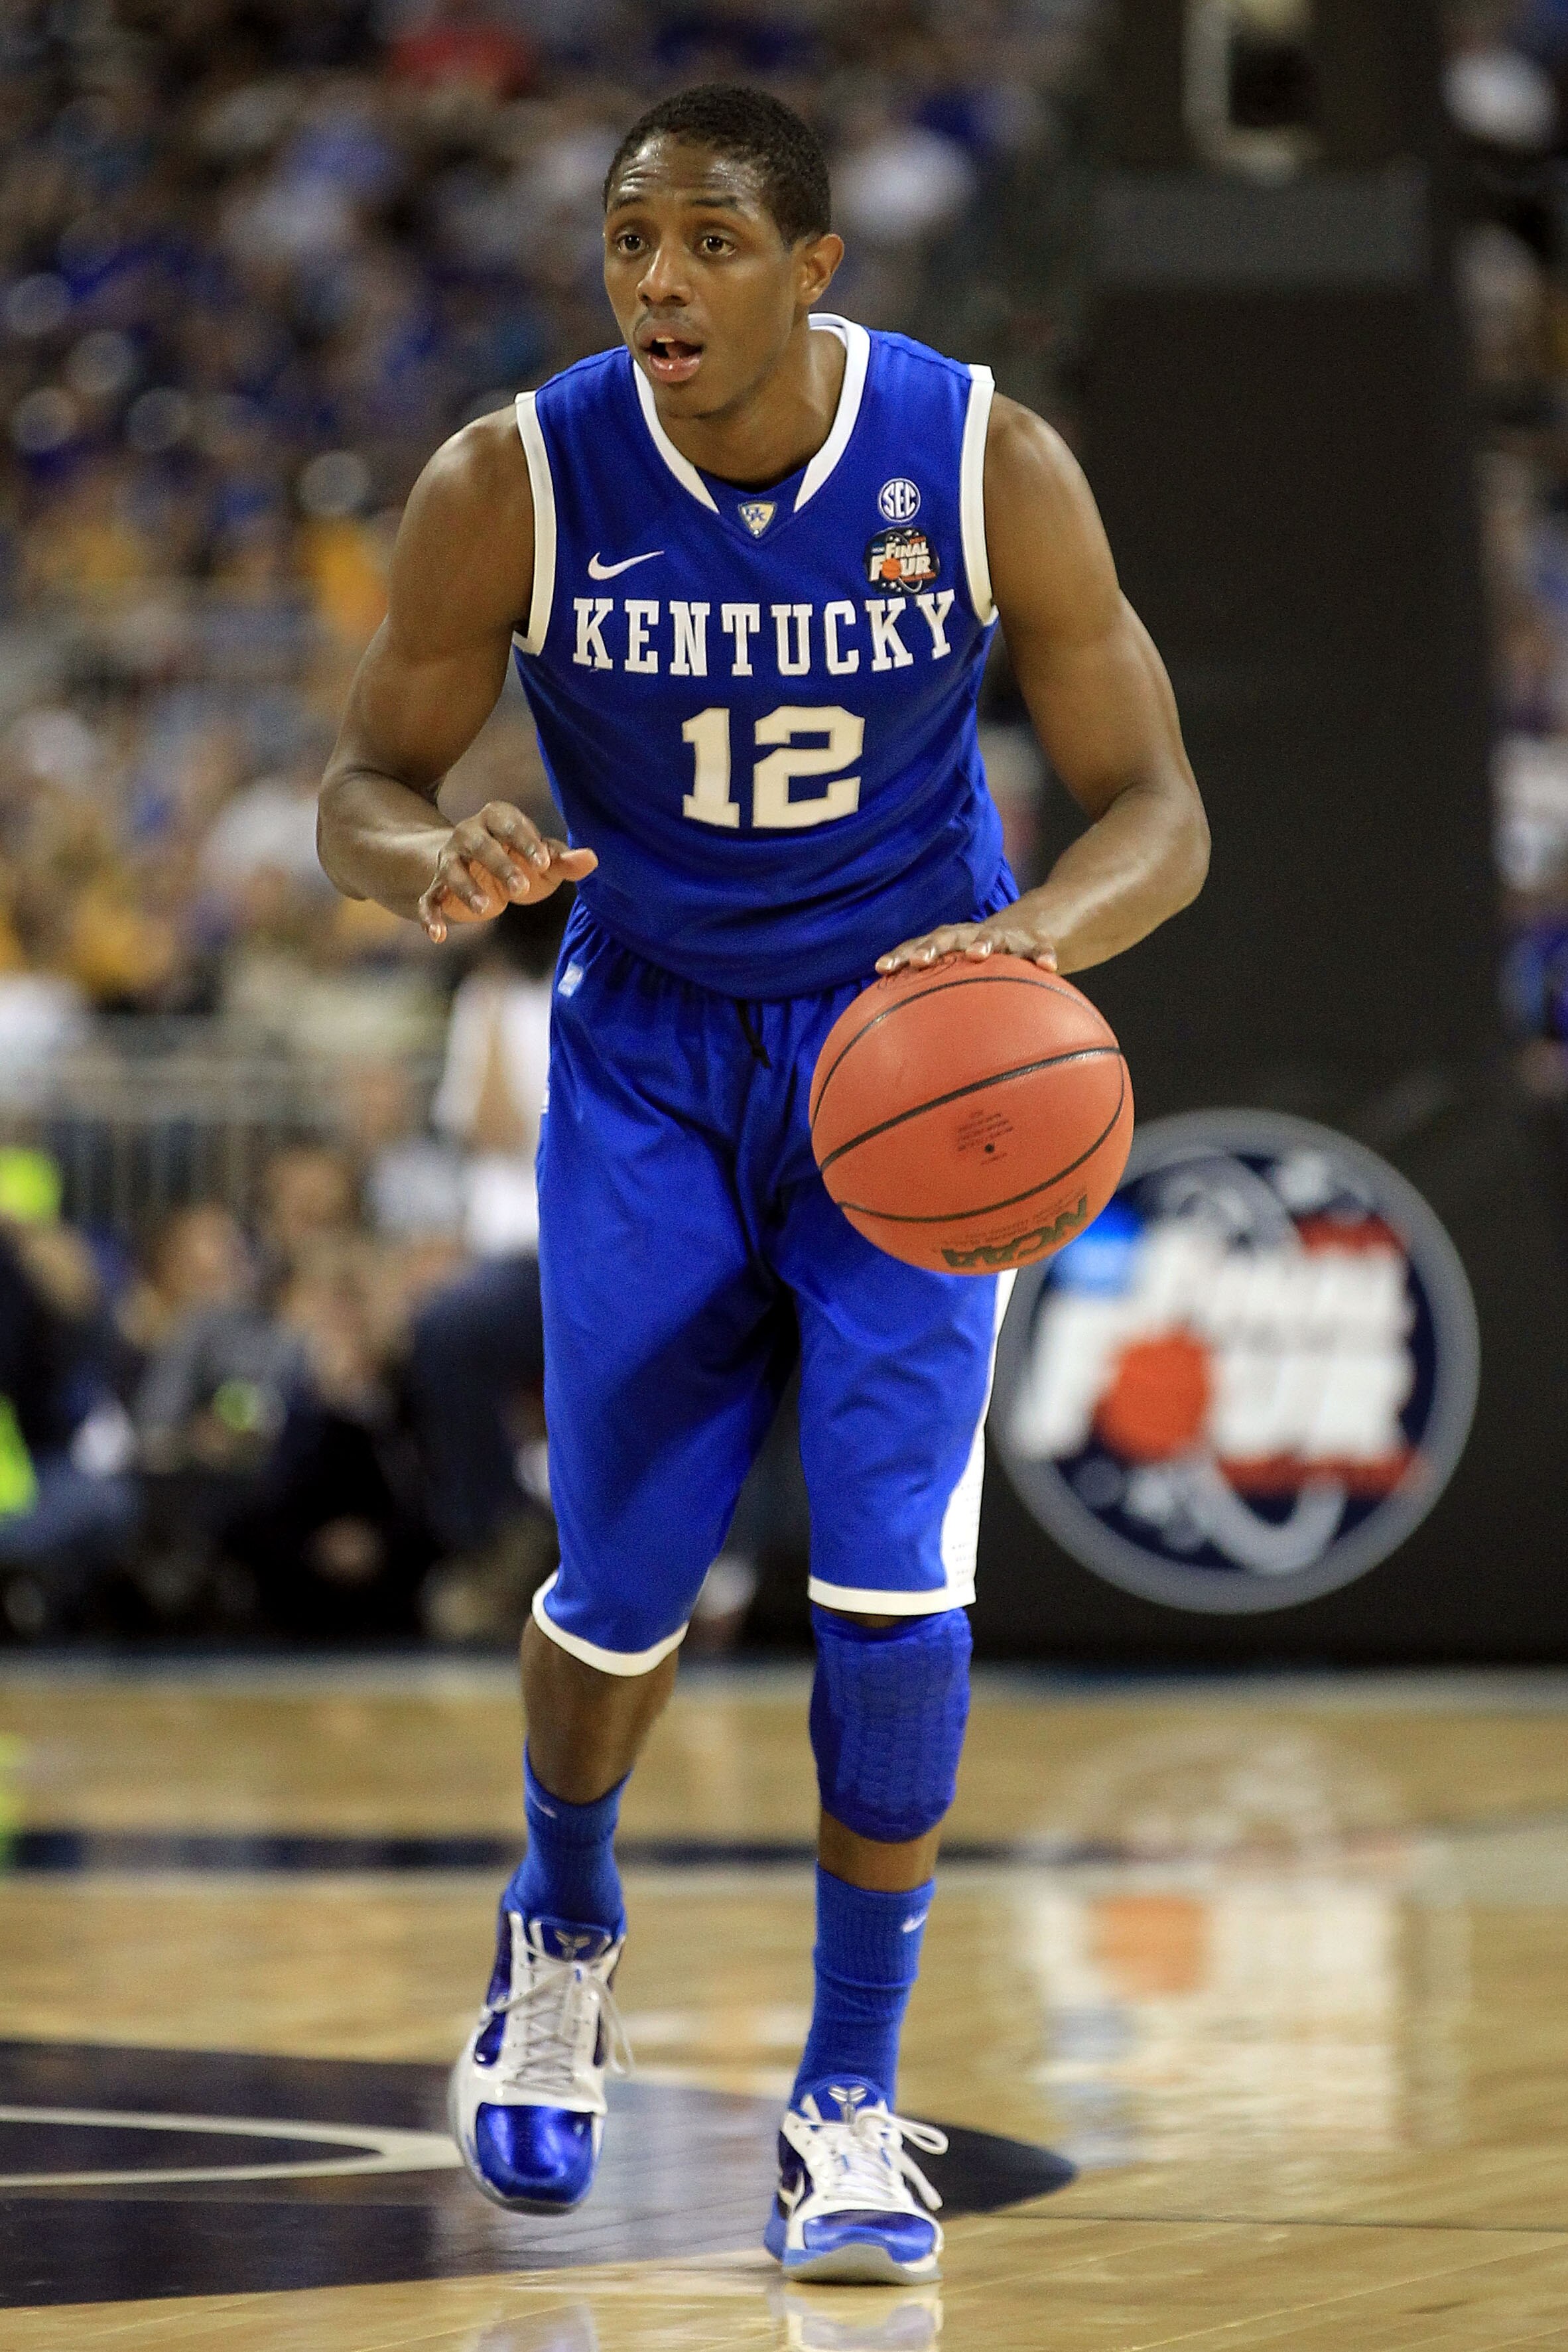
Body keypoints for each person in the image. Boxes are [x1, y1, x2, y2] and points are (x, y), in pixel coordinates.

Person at [318, 83, 1208, 2287]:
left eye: (708, 244)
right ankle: (559, 1925)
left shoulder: (980, 461)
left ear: (816, 268)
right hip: (647, 1056)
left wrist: (1043, 945)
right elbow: (362, 779)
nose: (656, 285)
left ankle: (847, 2093)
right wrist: (431, 855)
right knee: (617, 1585)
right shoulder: (509, 478)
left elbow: (1157, 809)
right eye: (630, 243)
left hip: (911, 1053)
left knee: (891, 1586)